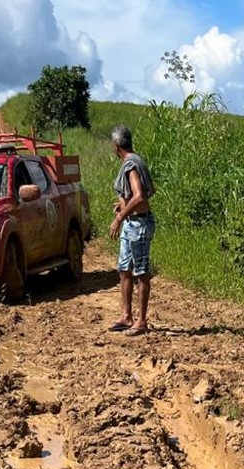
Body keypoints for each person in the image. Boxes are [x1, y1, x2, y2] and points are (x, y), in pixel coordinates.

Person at [108, 125, 156, 337]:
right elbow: (141, 195)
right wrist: (123, 206)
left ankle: (142, 320)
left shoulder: (131, 165)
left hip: (138, 225)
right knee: (124, 269)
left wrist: (120, 216)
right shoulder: (136, 161)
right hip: (133, 223)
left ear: (116, 146)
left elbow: (139, 196)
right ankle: (126, 316)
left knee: (141, 272)